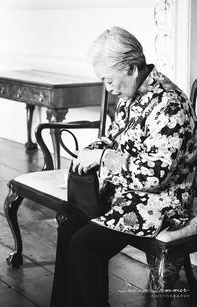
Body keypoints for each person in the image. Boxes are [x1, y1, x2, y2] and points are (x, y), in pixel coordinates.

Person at [50, 26, 197, 307]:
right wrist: (91, 150)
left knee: (84, 246)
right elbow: (115, 138)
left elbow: (154, 175)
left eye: (108, 80)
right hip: (126, 193)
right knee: (68, 229)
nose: (109, 88)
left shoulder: (169, 105)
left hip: (160, 203)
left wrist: (104, 158)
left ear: (130, 67)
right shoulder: (131, 94)